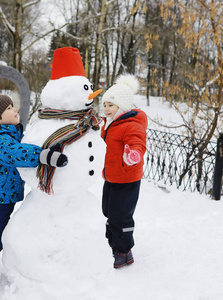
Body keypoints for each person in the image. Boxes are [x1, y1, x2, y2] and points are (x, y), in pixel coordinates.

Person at [0, 88, 68, 298]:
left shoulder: (4, 132)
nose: (15, 109)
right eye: (9, 108)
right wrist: (45, 156)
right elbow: (15, 153)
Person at [100, 74, 147, 269]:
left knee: (121, 216)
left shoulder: (131, 125)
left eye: (111, 105)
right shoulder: (110, 124)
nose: (106, 108)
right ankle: (113, 240)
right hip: (111, 176)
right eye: (105, 105)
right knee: (108, 210)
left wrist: (134, 155)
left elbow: (138, 143)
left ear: (122, 106)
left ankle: (124, 251)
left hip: (127, 179)